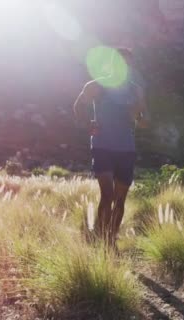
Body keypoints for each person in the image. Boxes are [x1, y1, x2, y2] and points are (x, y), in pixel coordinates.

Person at [73, 47, 149, 247]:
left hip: (126, 148)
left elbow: (144, 119)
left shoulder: (136, 90)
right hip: (102, 146)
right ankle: (99, 236)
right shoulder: (96, 85)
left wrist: (139, 118)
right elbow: (78, 106)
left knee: (120, 200)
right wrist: (87, 123)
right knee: (107, 195)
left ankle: (111, 240)